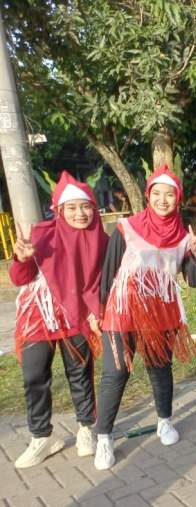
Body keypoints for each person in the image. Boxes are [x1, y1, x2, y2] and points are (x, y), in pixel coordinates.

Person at [94, 165, 196, 470]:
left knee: (160, 368)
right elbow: (108, 271)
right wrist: (99, 310)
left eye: (169, 194)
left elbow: (195, 281)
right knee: (116, 373)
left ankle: (164, 422)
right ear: (148, 196)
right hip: (122, 311)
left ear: (178, 198)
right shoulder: (126, 227)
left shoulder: (184, 235)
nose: (163, 199)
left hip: (161, 311)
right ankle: (103, 437)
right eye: (157, 193)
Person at [11, 172, 108, 469]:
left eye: (86, 206)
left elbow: (105, 281)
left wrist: (98, 311)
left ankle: (84, 429)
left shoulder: (101, 239)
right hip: (38, 316)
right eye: (72, 208)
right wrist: (23, 259)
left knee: (79, 374)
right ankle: (42, 437)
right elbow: (19, 279)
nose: (80, 213)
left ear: (94, 208)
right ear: (59, 210)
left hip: (76, 315)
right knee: (34, 375)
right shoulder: (40, 235)